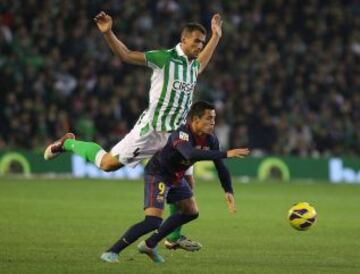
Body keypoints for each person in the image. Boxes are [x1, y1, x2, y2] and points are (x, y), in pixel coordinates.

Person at [44, 11, 224, 251]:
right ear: (183, 41)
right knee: (107, 164)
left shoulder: (192, 66)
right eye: (196, 42)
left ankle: (173, 237)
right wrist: (108, 33)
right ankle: (67, 143)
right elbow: (126, 55)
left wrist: (216, 36)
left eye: (202, 43)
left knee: (187, 183)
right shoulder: (165, 58)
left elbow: (201, 63)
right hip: (151, 131)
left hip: (177, 136)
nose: (199, 46)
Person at [99, 101, 250, 263]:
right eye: (208, 118)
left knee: (191, 212)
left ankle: (149, 244)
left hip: (175, 177)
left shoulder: (211, 139)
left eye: (214, 118)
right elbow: (189, 154)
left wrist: (228, 190)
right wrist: (227, 153)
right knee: (152, 221)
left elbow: (221, 167)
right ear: (195, 119)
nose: (212, 122)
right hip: (158, 174)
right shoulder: (182, 133)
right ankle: (112, 252)